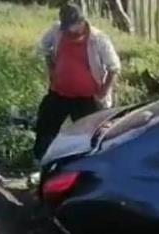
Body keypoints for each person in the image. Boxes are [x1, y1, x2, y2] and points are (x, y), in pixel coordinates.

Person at [33, 3, 121, 168]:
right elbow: (44, 48)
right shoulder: (57, 31)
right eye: (67, 27)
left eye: (73, 26)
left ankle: (86, 168)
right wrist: (51, 70)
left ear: (82, 21)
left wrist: (103, 92)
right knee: (45, 127)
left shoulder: (98, 39)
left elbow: (114, 67)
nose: (70, 31)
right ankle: (41, 164)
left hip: (87, 99)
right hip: (60, 93)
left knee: (90, 137)